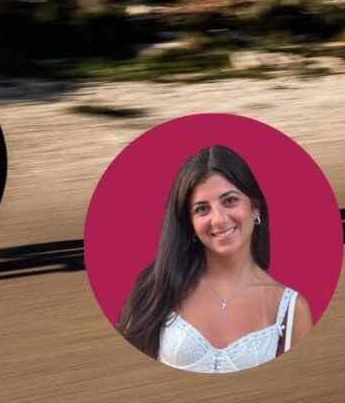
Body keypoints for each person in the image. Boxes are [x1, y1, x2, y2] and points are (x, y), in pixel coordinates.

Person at [116, 145, 312, 373]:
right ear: (189, 223)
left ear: (255, 207)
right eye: (202, 209)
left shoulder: (291, 310)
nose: (218, 219)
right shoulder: (155, 291)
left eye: (229, 201)